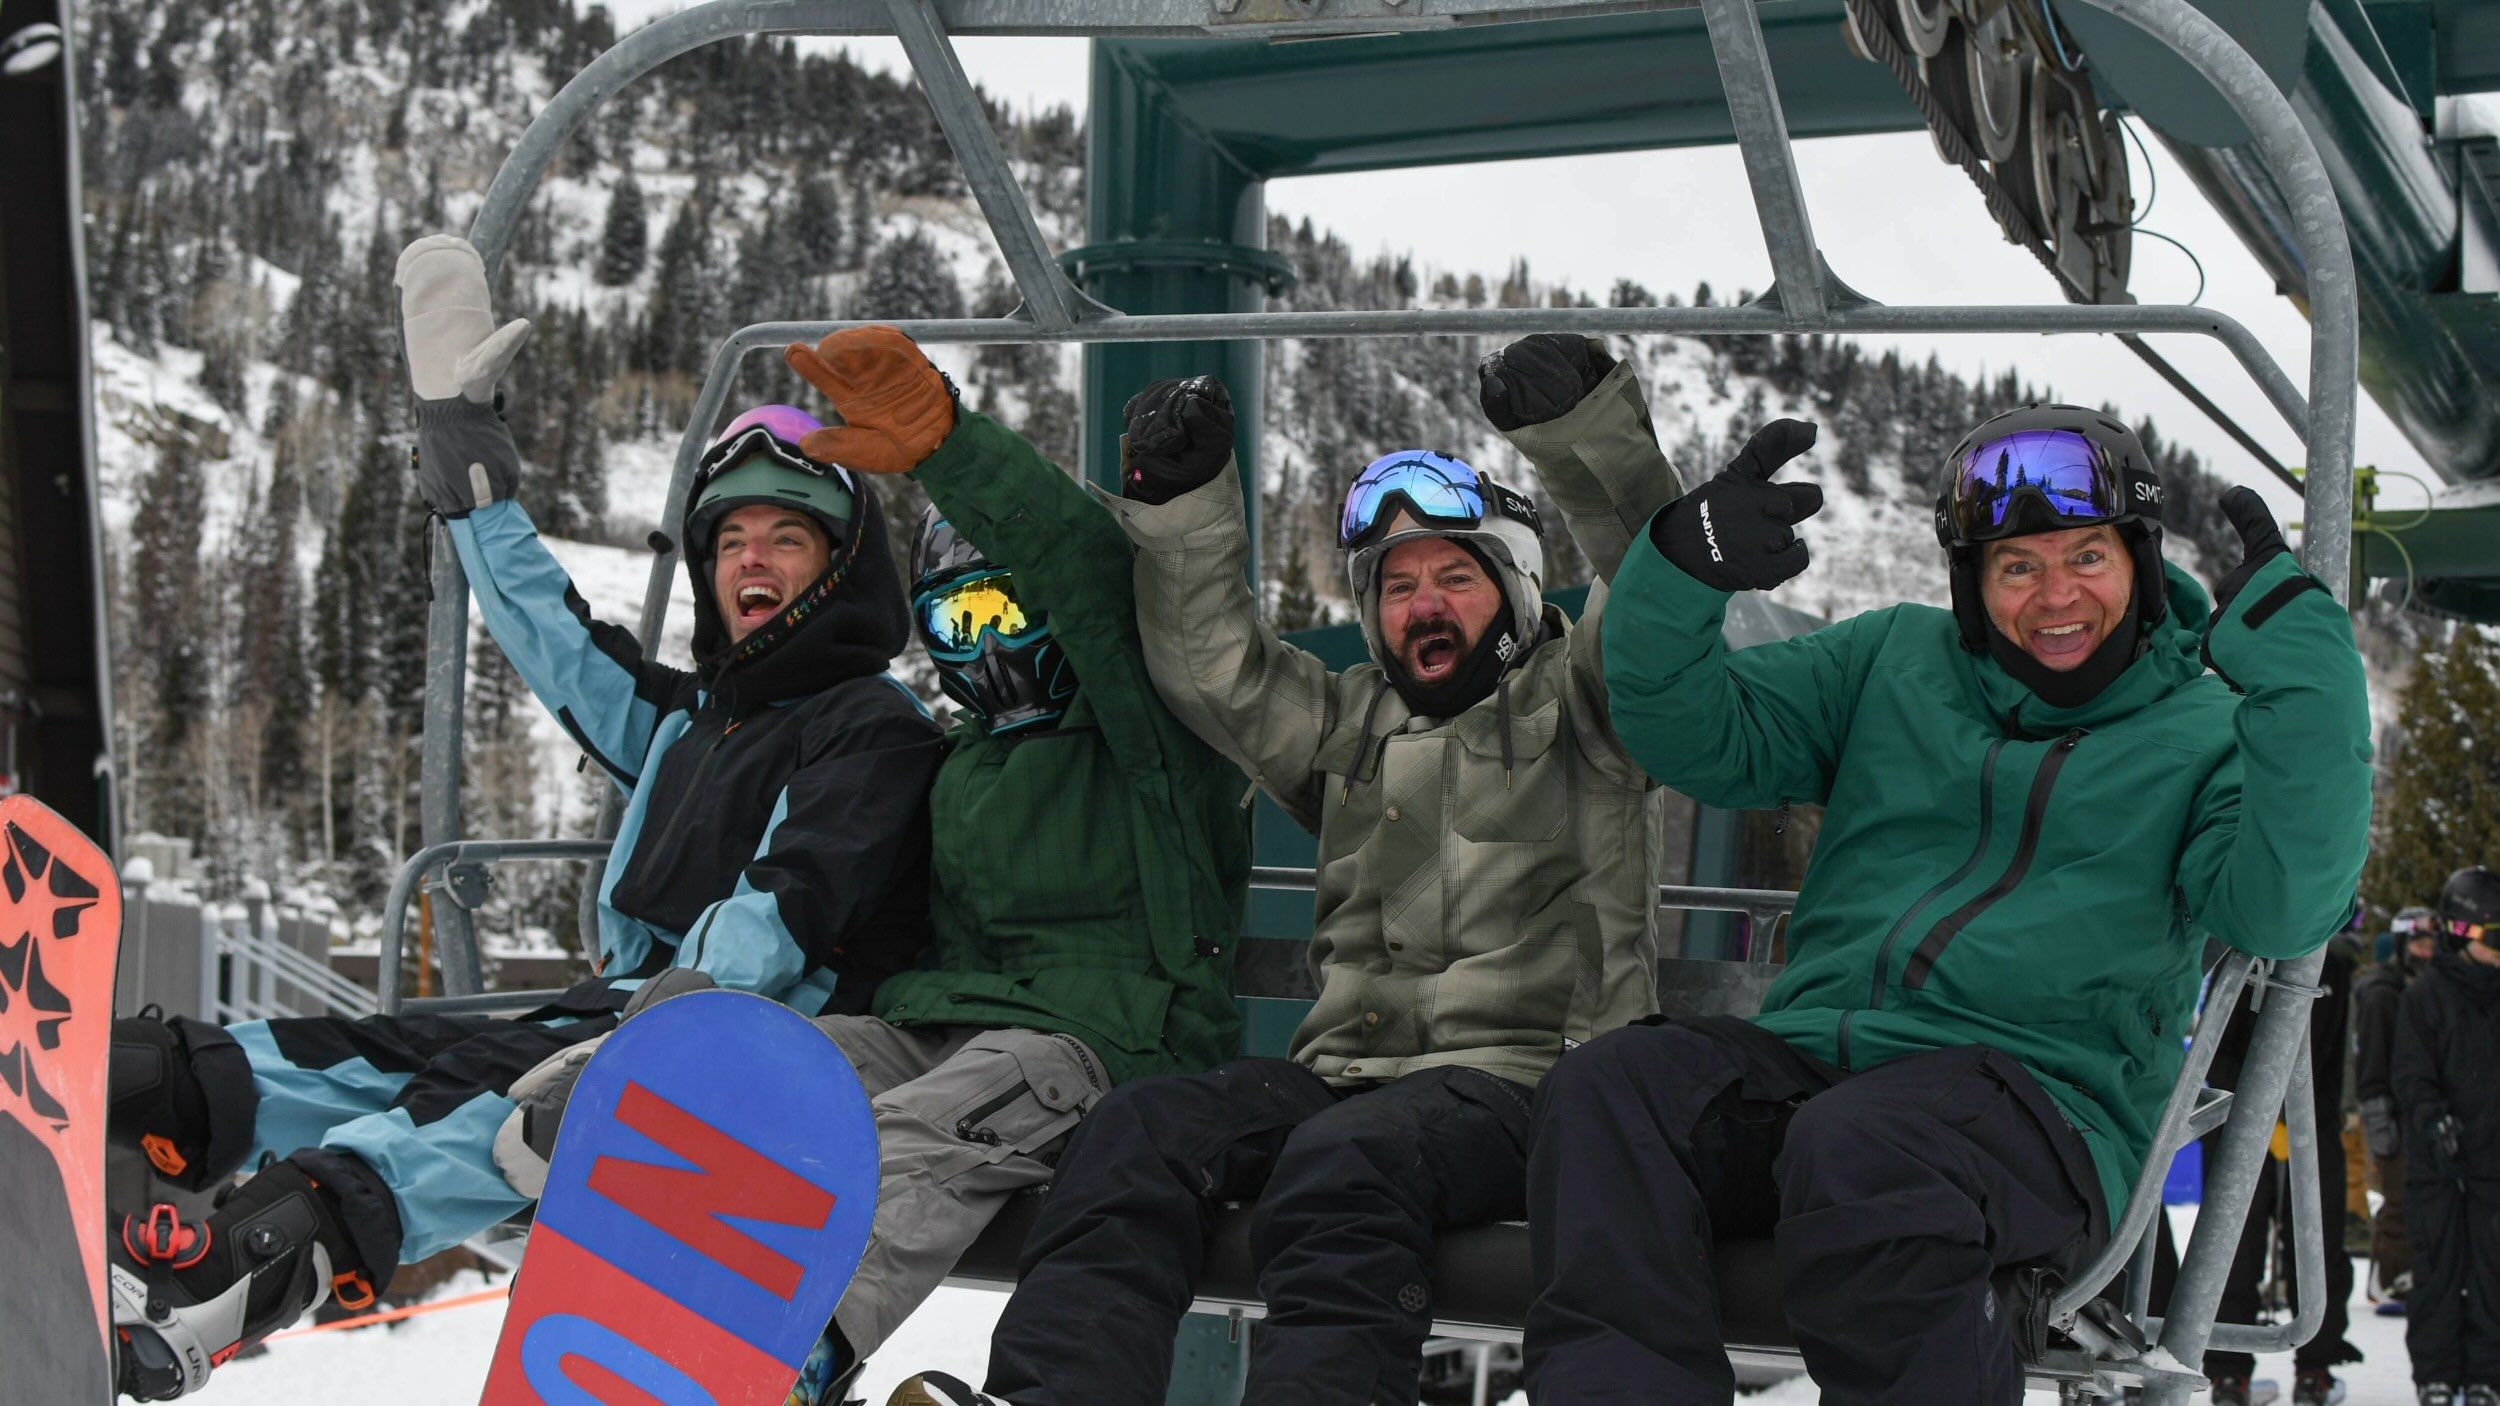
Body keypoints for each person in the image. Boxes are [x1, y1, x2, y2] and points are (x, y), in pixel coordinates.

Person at [100, 237, 945, 1399]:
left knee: (492, 1097)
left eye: (786, 538)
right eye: (731, 539)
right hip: (626, 1009)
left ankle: (253, 1264)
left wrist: (650, 1029)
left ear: (840, 570)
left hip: (751, 1045)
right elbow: (555, 642)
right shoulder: (699, 722)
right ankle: (152, 1084)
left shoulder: (874, 726)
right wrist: (467, 460)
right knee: (369, 1052)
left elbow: (788, 910)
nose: (751, 559)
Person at [1524, 396, 2373, 1404]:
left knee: (1867, 1144)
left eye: (2086, 556)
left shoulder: (2211, 731)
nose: (2055, 595)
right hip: (1819, 1072)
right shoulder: (1890, 659)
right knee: (1613, 1087)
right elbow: (1696, 734)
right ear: (1972, 584)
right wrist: (1678, 573)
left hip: (2041, 1111)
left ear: (2138, 564)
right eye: (2016, 565)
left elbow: (2277, 912)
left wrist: (2311, 689)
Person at [890, 333, 1680, 1406]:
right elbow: (1214, 667)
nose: (1423, 605)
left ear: (1519, 586)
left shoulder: (1585, 703)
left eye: (1455, 575)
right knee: (1140, 1126)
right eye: (1395, 586)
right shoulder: (1351, 721)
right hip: (1344, 1075)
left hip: (1528, 1081)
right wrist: (1182, 500)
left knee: (1350, 1161)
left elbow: (1657, 593)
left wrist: (1582, 432)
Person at [487, 323, 1256, 1404]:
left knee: (902, 1139)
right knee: (765, 1072)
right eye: (952, 621)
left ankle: (778, 1360)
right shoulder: (953, 764)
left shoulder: (1143, 744)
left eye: (999, 610)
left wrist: (950, 443)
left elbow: (1085, 578)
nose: (980, 644)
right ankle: (614, 1319)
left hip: (1100, 1046)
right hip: (935, 1022)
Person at [2391, 865, 2500, 1406]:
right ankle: (2435, 1374)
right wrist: (2433, 1119)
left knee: (2493, 1273)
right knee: (2436, 1271)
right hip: (2438, 1163)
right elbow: (2410, 1073)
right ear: (2462, 931)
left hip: (2493, 1164)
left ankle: (2487, 1374)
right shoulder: (2426, 997)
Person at [2357, 903, 2439, 1307]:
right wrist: (2377, 1115)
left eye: (2432, 944)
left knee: (2419, 1194)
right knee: (2397, 1195)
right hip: (2389, 1106)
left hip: (2418, 1106)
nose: (2427, 952)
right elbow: (2371, 1061)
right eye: (2420, 943)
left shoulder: (2421, 988)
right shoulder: (2382, 993)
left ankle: (2404, 1271)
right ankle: (2390, 1277)